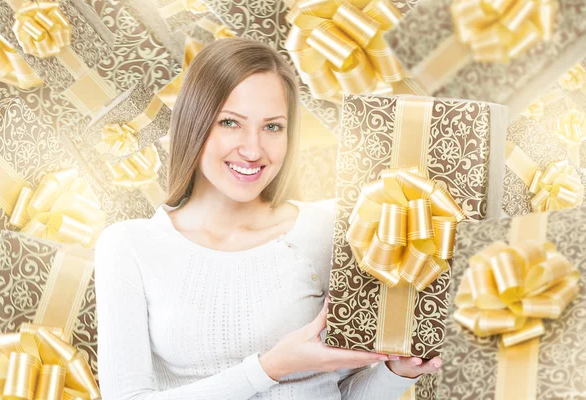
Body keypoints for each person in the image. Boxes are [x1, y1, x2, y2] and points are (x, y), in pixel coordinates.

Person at [94, 37, 441, 400]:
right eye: (230, 122)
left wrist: (394, 373)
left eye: (272, 126)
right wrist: (270, 367)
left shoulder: (327, 228)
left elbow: (340, 390)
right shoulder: (130, 245)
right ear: (193, 123)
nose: (253, 149)